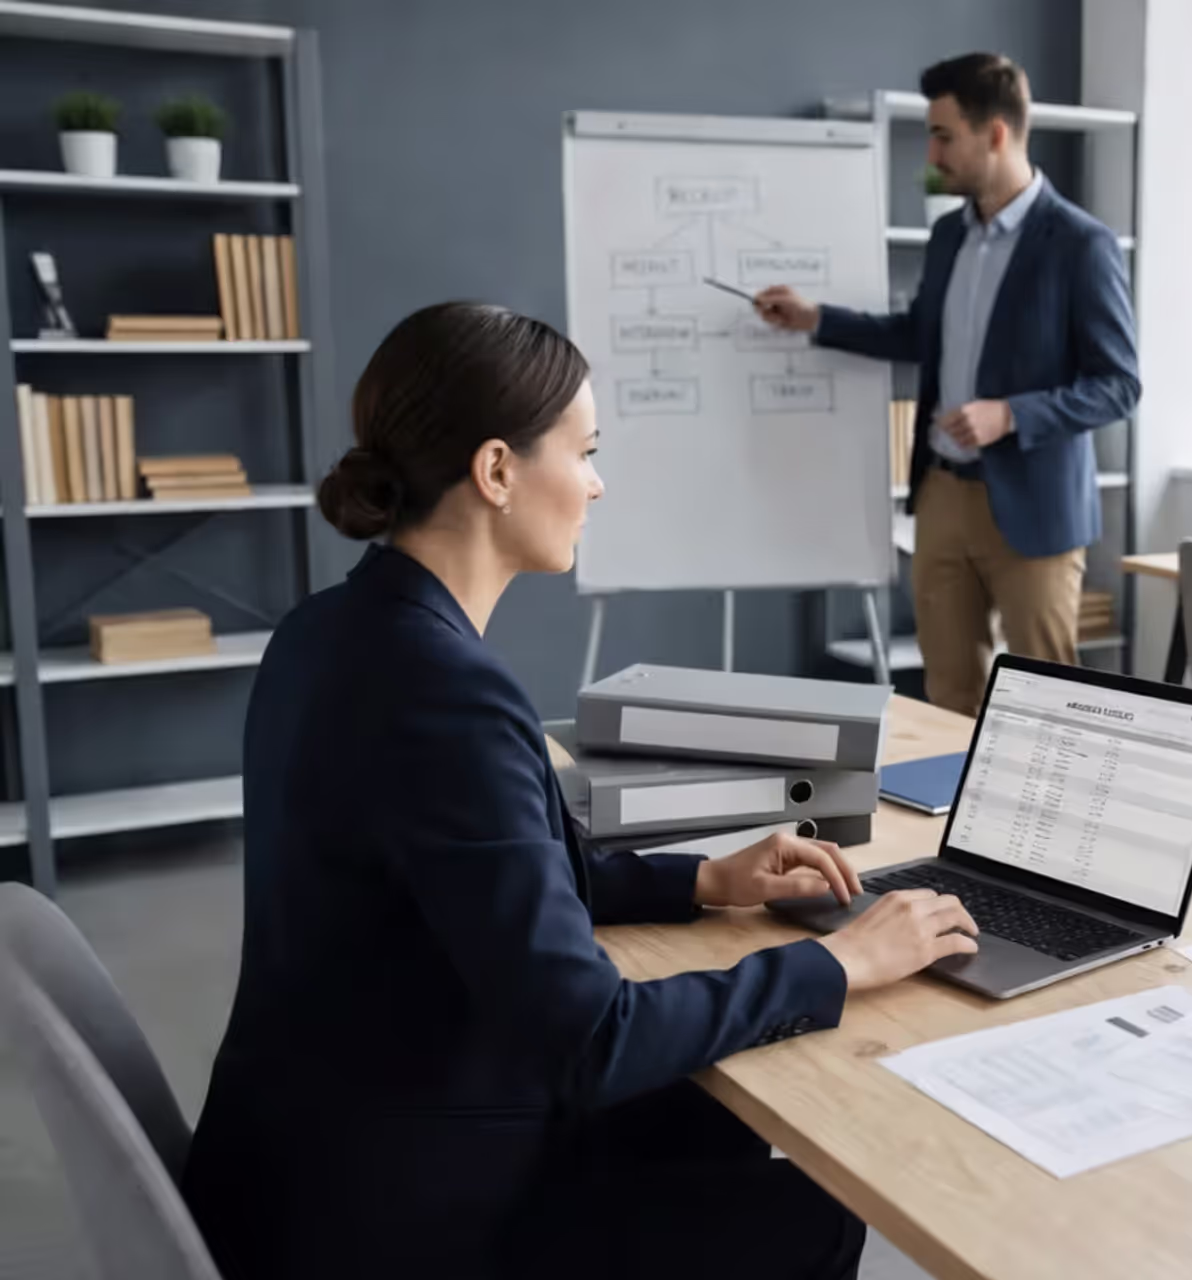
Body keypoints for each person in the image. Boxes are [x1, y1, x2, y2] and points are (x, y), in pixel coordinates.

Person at [182, 302, 980, 1280]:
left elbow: (482, 879)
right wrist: (843, 963)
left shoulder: (331, 631)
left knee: (702, 1110)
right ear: (496, 470)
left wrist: (704, 882)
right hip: (390, 1216)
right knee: (810, 1212)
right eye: (585, 451)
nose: (597, 484)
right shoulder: (445, 692)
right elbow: (591, 1040)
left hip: (313, 1148)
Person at [756, 52, 1140, 717]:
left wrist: (1011, 415)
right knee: (947, 698)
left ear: (996, 133)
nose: (932, 152)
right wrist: (816, 320)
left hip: (1034, 509)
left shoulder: (1082, 245)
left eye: (944, 135)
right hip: (941, 499)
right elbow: (916, 336)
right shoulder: (945, 237)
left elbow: (1118, 385)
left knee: (1048, 703)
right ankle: (949, 823)